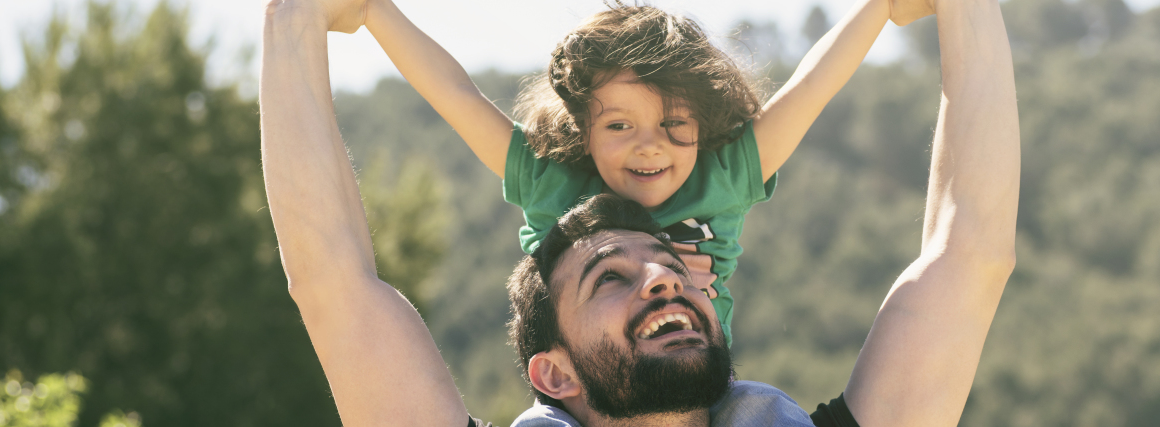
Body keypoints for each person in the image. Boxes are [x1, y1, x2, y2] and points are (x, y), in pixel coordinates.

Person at [258, 0, 1020, 424]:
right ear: (550, 369)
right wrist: (296, 21)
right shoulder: (554, 180)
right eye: (608, 277)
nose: (665, 275)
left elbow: (971, 255)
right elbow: (333, 285)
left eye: (672, 265)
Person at [344, 0, 909, 348]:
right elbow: (455, 93)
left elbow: (811, 86)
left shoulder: (725, 176)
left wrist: (881, 5)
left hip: (698, 398)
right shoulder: (553, 182)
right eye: (619, 126)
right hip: (578, 401)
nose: (649, 146)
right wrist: (374, 10)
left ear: (704, 121)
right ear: (581, 127)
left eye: (673, 124)